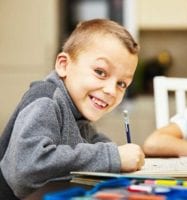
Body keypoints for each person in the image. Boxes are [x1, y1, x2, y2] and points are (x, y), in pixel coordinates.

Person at [0, 19, 145, 199]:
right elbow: (27, 166)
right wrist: (113, 156)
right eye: (100, 72)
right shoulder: (46, 100)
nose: (111, 90)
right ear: (63, 65)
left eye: (122, 83)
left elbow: (95, 144)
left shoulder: (78, 113)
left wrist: (118, 154)